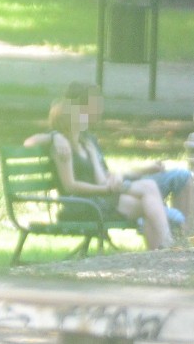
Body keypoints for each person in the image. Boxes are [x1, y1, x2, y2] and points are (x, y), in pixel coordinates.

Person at [24, 82, 192, 228]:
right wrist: (55, 136)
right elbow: (30, 143)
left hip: (112, 190)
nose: (100, 108)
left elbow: (105, 174)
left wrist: (142, 170)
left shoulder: (88, 140)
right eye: (95, 104)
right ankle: (172, 232)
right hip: (98, 200)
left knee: (179, 176)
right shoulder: (61, 140)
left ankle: (179, 233)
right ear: (79, 109)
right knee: (162, 206)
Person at [46, 97, 173, 250]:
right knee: (150, 197)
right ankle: (167, 245)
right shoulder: (62, 149)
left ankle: (160, 250)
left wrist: (98, 163)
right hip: (81, 206)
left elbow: (100, 180)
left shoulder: (86, 144)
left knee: (149, 195)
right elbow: (70, 186)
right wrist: (105, 190)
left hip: (98, 200)